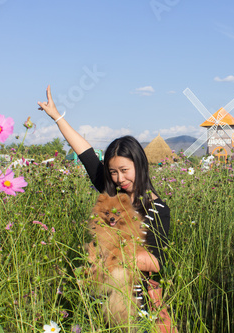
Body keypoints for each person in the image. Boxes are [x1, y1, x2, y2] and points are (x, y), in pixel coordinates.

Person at [37, 85, 171, 308]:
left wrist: (112, 251)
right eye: (113, 172)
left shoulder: (157, 208)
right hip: (99, 297)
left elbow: (156, 263)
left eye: (124, 170)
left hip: (136, 301)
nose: (119, 179)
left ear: (139, 165)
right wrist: (57, 117)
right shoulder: (112, 196)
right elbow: (85, 153)